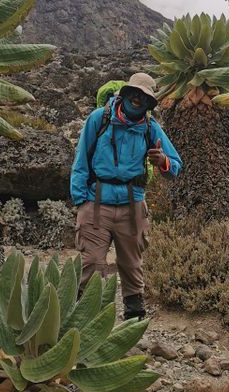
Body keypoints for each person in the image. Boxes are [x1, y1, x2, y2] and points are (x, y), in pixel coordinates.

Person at [70, 72, 182, 319]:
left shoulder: (151, 128)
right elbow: (81, 161)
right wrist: (81, 202)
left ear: (150, 103)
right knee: (92, 263)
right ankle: (85, 320)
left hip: (133, 205)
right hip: (96, 202)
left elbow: (176, 165)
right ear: (125, 93)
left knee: (132, 265)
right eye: (134, 94)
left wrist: (163, 161)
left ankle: (133, 319)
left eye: (144, 98)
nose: (138, 100)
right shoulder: (99, 119)